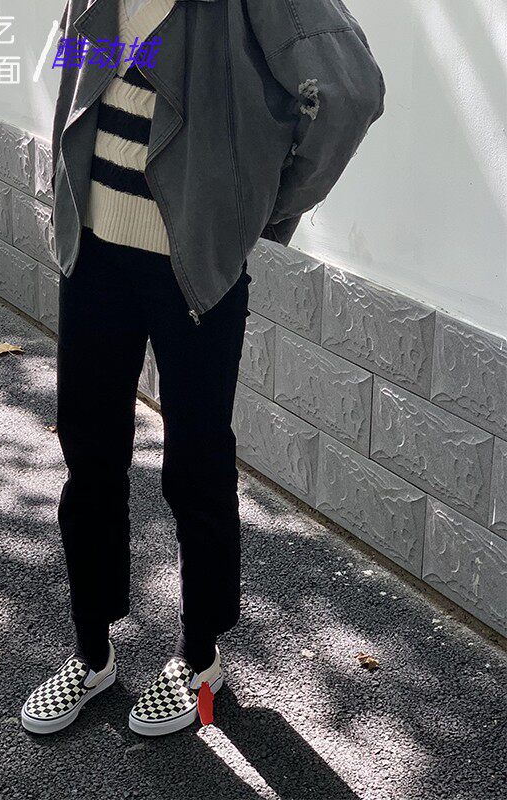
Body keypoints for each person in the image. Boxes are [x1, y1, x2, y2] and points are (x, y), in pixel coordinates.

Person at [22, 0, 385, 736]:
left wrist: (256, 205)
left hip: (192, 266)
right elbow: (76, 70)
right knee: (89, 455)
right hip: (93, 255)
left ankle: (199, 659)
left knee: (197, 462)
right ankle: (91, 652)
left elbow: (349, 92)